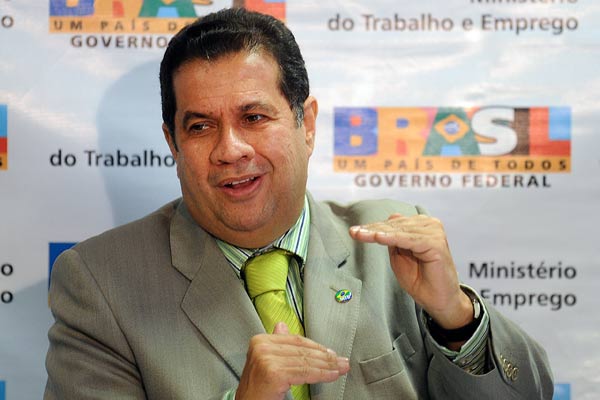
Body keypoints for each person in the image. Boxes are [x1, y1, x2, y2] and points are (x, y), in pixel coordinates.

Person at [44, 8, 553, 400]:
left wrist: (456, 317)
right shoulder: (99, 282)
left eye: (254, 117)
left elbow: (531, 392)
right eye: (200, 126)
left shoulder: (392, 239)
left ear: (306, 125)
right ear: (172, 143)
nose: (230, 150)